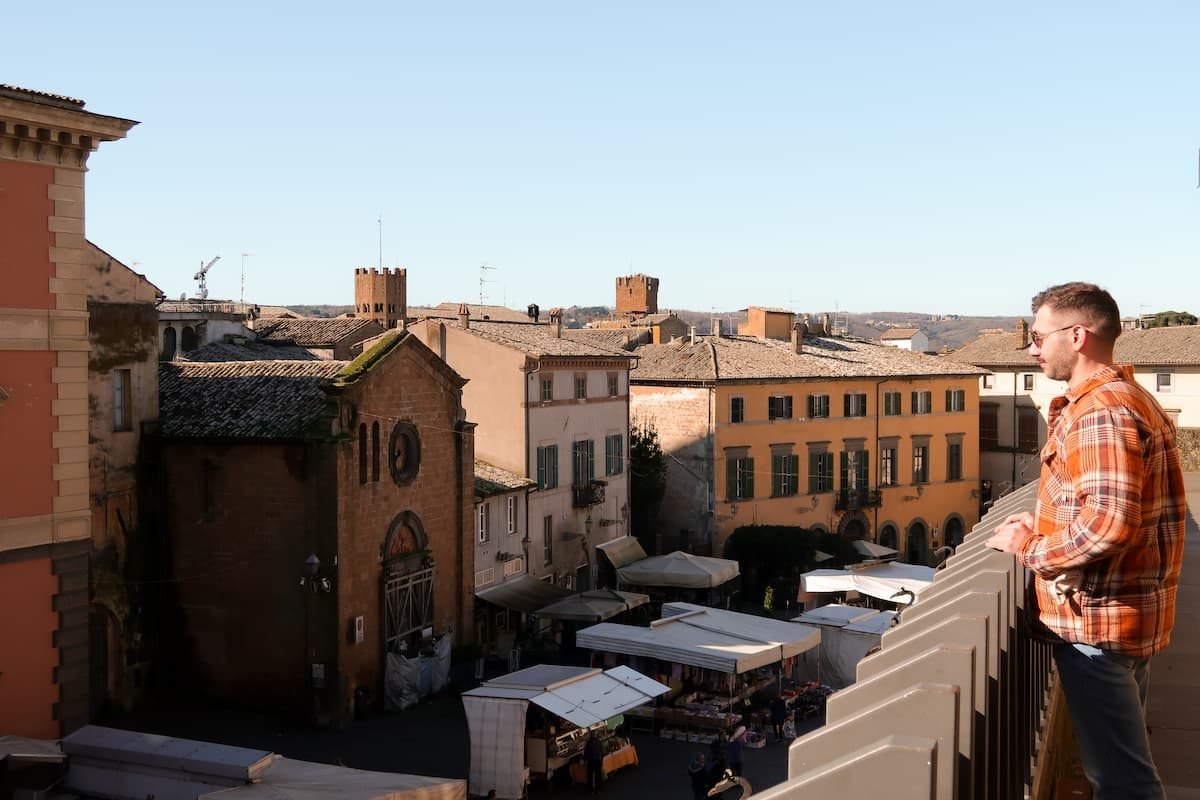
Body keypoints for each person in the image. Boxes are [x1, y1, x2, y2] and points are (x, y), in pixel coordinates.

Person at [985, 282, 1186, 800]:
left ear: (1076, 336)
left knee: (1123, 782)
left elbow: (1108, 524)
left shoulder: (1101, 412)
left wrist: (1028, 548)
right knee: (1124, 766)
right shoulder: (1124, 397)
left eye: (1037, 336)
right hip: (1119, 614)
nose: (1031, 349)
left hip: (1097, 624)